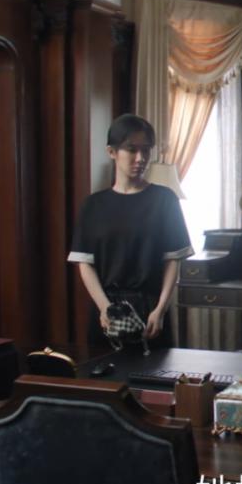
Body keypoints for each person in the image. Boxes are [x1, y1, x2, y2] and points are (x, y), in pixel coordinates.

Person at [67, 114, 193, 349]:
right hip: (107, 309)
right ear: (112, 152)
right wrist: (104, 308)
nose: (140, 158)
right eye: (132, 149)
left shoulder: (164, 200)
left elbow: (172, 262)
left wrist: (160, 309)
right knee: (103, 370)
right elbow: (85, 264)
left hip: (151, 309)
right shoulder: (93, 205)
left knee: (155, 371)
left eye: (146, 150)